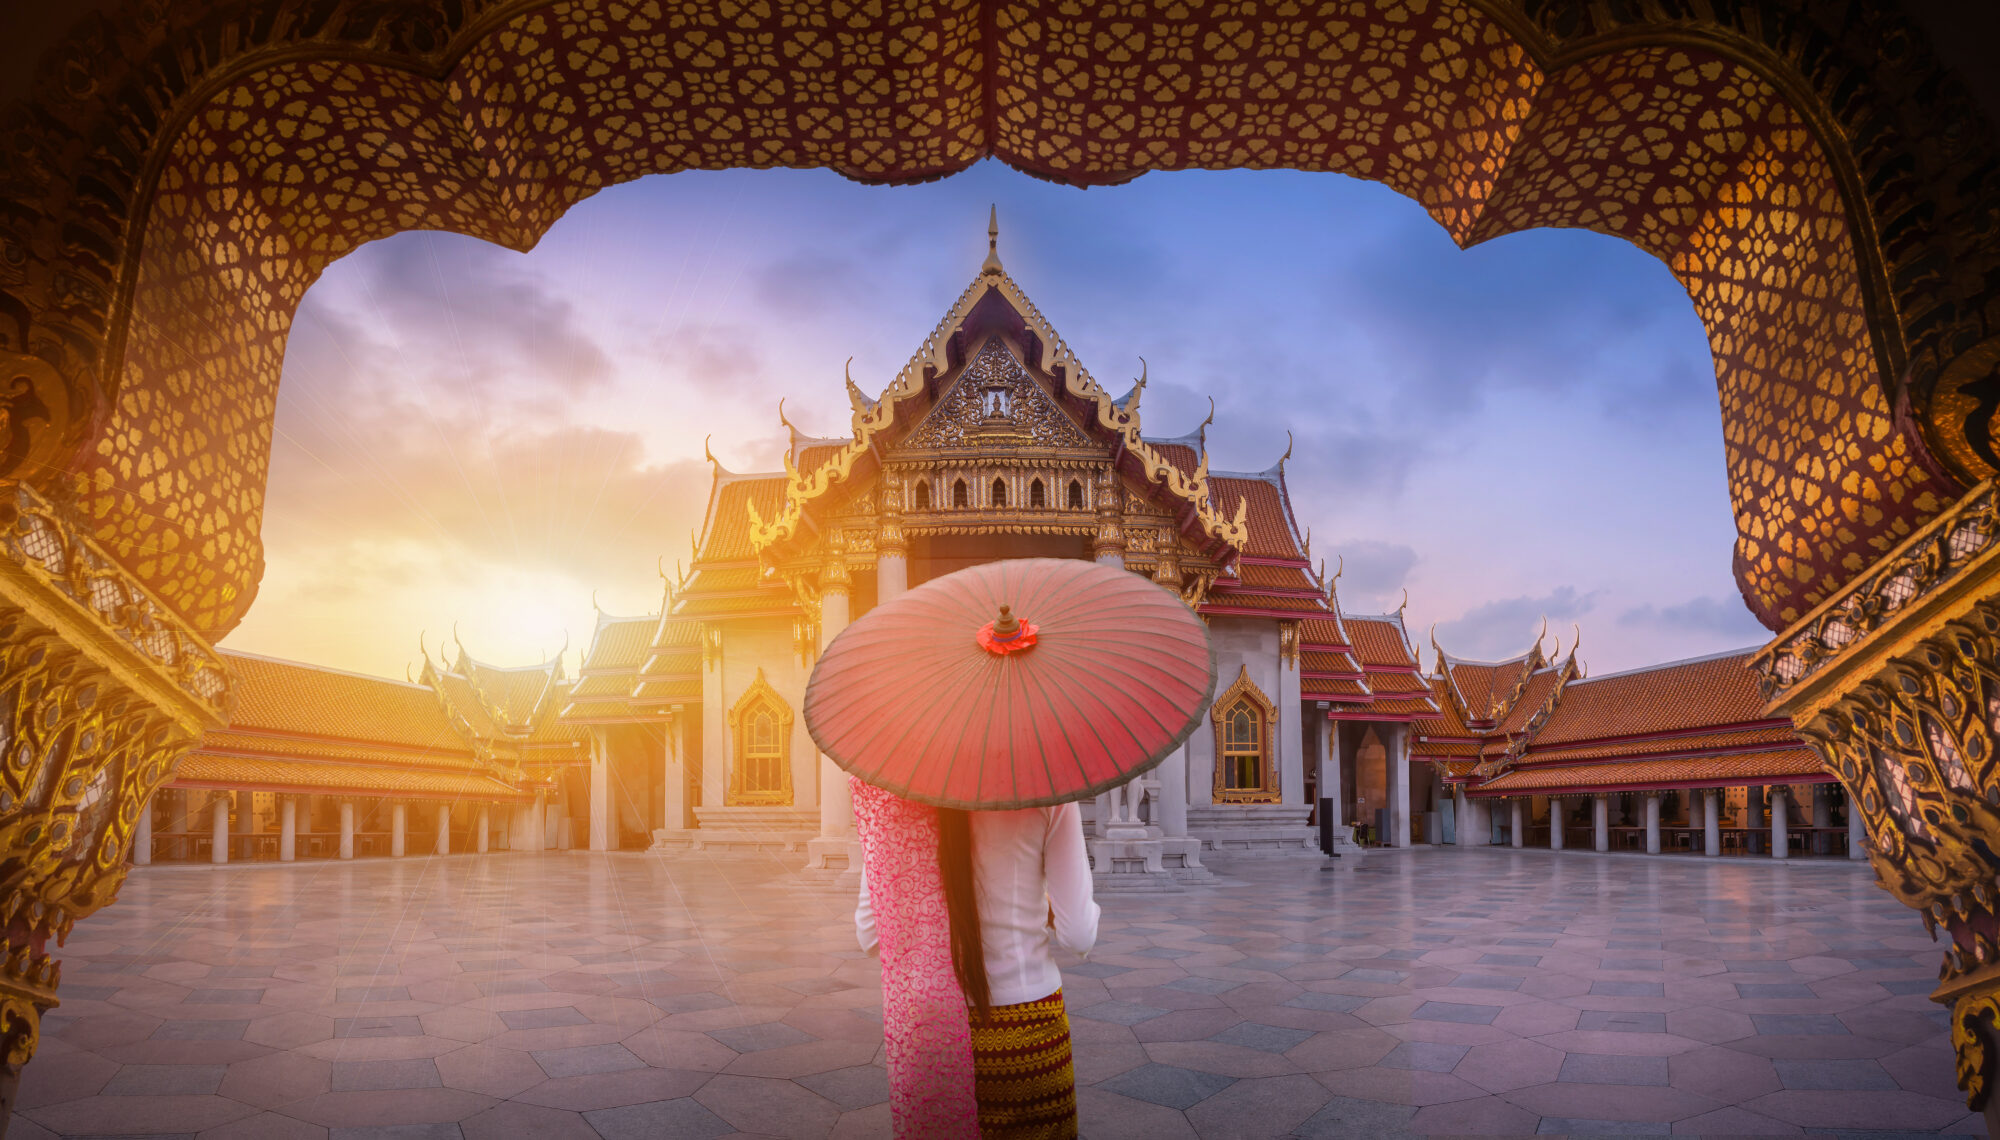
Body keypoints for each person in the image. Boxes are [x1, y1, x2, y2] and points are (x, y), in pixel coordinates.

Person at [855, 777, 1100, 1139]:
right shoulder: (1049, 790)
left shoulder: (899, 799)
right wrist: (1045, 907)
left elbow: (869, 934)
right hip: (1027, 1030)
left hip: (934, 1032)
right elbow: (1079, 936)